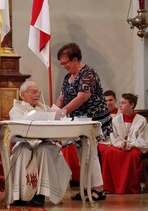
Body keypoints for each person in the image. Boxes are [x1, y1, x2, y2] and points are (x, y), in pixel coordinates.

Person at [56, 42, 112, 201]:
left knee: (90, 154)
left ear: (75, 60)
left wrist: (63, 111)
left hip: (93, 119)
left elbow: (82, 97)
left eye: (65, 63)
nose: (64, 66)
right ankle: (87, 188)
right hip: (79, 120)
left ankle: (99, 190)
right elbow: (61, 98)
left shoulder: (88, 73)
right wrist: (52, 112)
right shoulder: (68, 77)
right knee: (82, 155)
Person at [9, 81, 71, 206]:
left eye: (38, 91)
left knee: (44, 149)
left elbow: (56, 126)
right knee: (23, 151)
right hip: (25, 142)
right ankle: (20, 195)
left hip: (45, 142)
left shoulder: (45, 108)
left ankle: (40, 194)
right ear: (22, 94)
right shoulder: (16, 110)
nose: (37, 94)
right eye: (33, 91)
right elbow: (19, 129)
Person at [101, 93, 148, 194]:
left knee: (132, 155)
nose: (120, 105)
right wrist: (121, 144)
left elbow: (142, 139)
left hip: (136, 147)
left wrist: (131, 145)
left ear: (131, 105)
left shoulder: (141, 120)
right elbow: (113, 136)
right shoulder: (116, 119)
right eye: (120, 103)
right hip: (120, 145)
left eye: (123, 103)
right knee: (108, 152)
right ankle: (109, 187)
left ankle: (129, 188)